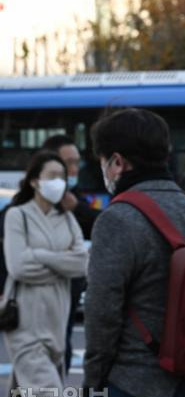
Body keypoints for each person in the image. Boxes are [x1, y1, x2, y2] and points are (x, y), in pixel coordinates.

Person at [82, 108, 185, 397]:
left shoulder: (117, 218)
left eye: (104, 162)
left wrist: (93, 380)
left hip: (135, 388)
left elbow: (102, 308)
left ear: (117, 162)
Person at [2, 151, 88, 397]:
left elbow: (81, 263)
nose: (59, 182)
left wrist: (38, 255)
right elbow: (18, 266)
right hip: (25, 325)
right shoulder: (18, 216)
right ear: (35, 181)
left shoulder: (67, 218)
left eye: (62, 177)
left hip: (56, 323)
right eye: (52, 176)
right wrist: (60, 264)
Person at [41, 135, 100, 373]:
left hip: (70, 291)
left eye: (78, 162)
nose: (75, 169)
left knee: (61, 352)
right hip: (39, 299)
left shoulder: (75, 198)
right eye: (69, 163)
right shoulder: (24, 209)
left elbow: (101, 226)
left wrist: (77, 207)